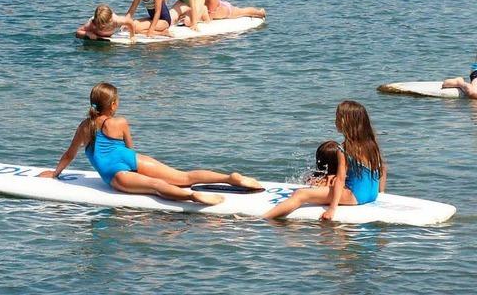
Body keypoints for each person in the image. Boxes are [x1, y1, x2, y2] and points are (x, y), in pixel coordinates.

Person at [39, 82, 262, 205]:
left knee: (155, 188)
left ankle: (192, 196)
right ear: (113, 105)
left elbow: (70, 154)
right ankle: (229, 177)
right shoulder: (121, 122)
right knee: (183, 177)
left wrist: (56, 173)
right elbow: (129, 149)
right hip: (131, 160)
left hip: (117, 175)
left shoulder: (84, 127)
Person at [263, 100, 387, 221]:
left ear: (345, 122)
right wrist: (381, 192)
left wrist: (332, 209)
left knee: (301, 194)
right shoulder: (371, 144)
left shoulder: (344, 148)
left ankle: (263, 219)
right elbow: (383, 168)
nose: (335, 121)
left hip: (355, 196)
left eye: (337, 117)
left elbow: (340, 179)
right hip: (372, 195)